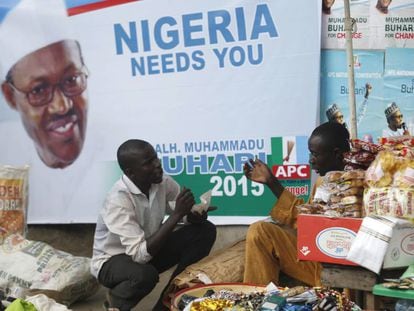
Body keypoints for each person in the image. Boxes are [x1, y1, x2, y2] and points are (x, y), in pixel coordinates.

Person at [91, 139, 217, 311]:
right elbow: (139, 255)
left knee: (204, 230)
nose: (157, 164)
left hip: (148, 250)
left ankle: (169, 303)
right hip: (112, 262)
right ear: (131, 172)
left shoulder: (163, 182)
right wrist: (177, 214)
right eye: (148, 163)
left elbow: (181, 215)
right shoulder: (118, 200)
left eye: (156, 158)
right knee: (144, 275)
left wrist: (193, 215)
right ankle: (115, 304)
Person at [243, 122, 350, 286]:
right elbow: (305, 219)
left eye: (315, 154)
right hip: (314, 262)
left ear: (336, 154)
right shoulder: (323, 182)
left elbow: (309, 225)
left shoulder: (355, 185)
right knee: (260, 231)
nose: (310, 161)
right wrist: (272, 183)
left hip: (336, 268)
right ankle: (257, 299)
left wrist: (273, 183)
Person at [0, 0, 89, 169]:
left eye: (71, 80)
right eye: (39, 90)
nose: (62, 106)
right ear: (10, 96)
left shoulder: (121, 149)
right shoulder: (6, 152)